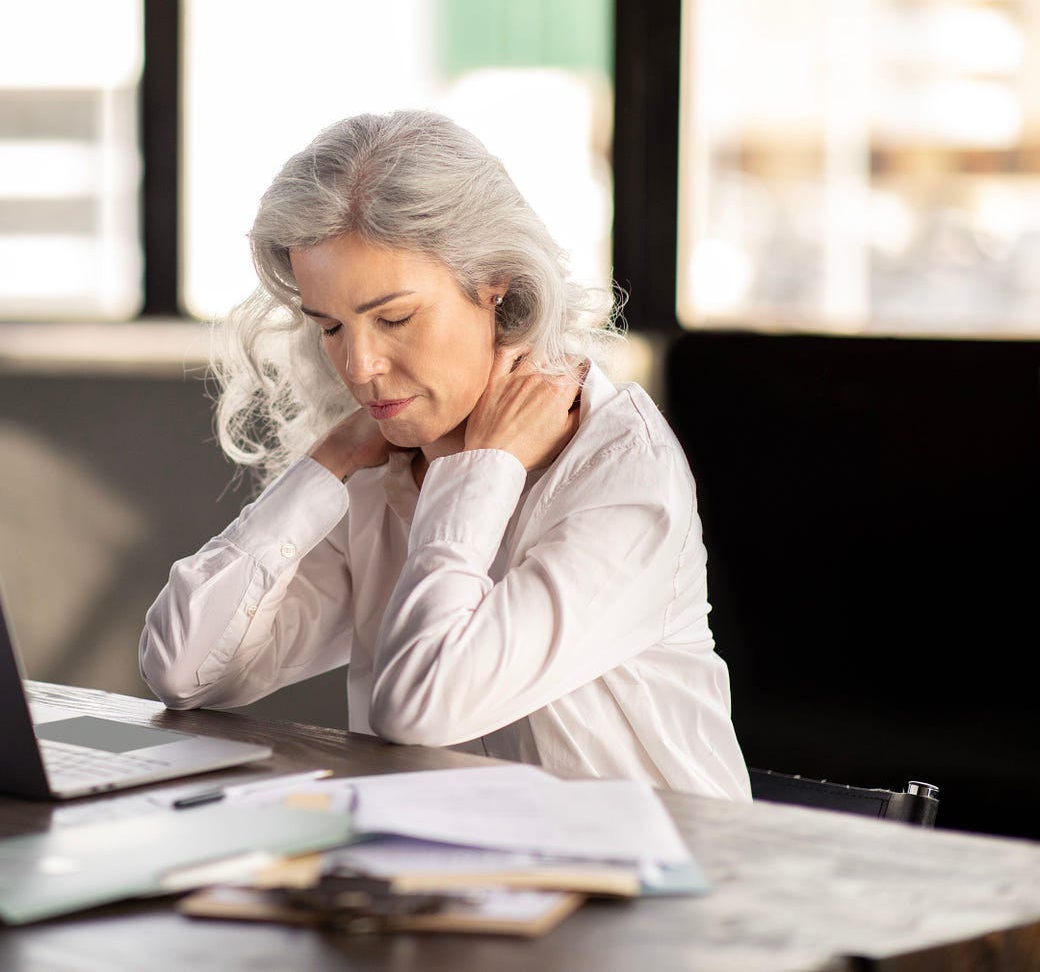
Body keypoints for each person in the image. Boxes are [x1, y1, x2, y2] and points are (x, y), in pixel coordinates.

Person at [140, 109, 750, 801]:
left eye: (394, 318)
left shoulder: (618, 469)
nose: (360, 365)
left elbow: (421, 704)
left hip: (650, 880)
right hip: (448, 874)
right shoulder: (382, 462)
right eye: (331, 326)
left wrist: (479, 473)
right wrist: (328, 462)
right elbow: (183, 667)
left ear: (494, 283)